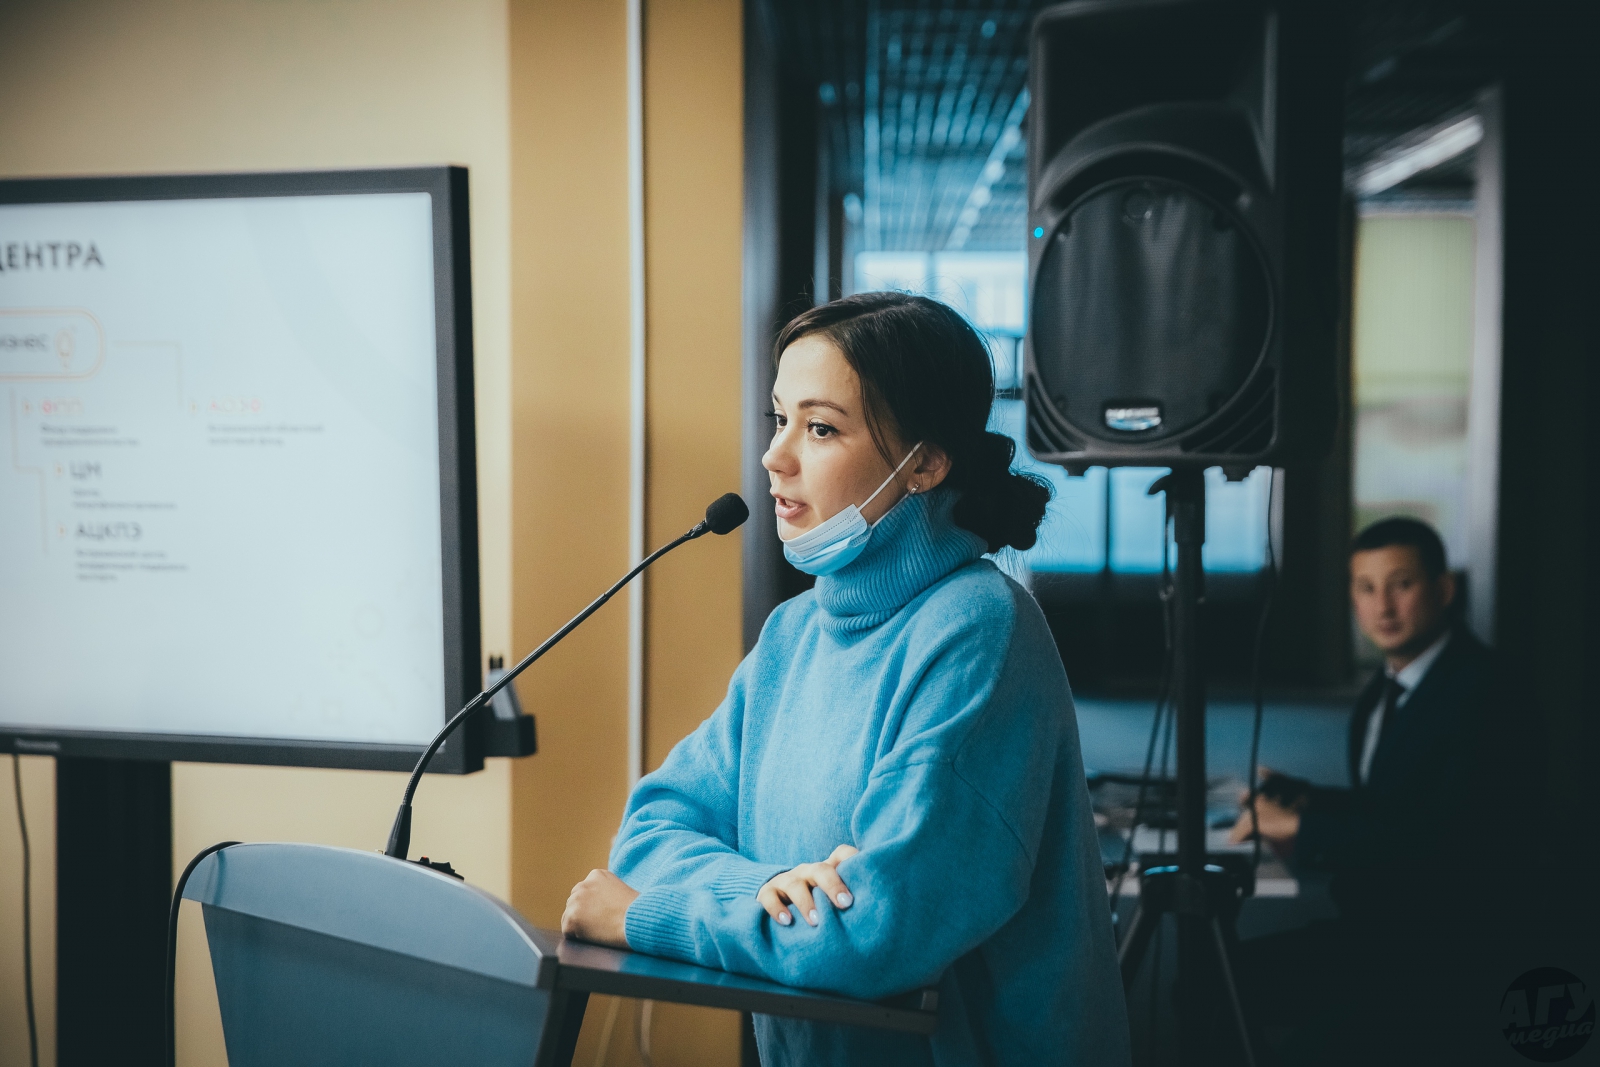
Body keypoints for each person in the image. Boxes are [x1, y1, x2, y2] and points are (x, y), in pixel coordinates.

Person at [560, 292, 1131, 1067]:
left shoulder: (980, 627)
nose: (775, 455)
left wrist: (644, 917)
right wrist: (767, 888)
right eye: (778, 418)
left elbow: (871, 935)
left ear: (924, 462)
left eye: (821, 427)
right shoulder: (793, 635)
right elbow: (647, 833)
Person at [1230, 517, 1526, 1062]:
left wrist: (1303, 828)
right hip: (1379, 933)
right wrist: (1306, 798)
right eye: (1366, 588)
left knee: (1223, 989)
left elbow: (1442, 842)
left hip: (1440, 953)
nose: (1383, 606)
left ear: (1443, 590)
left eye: (1401, 584)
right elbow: (1395, 805)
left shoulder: (1488, 692)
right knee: (1214, 977)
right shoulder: (1384, 691)